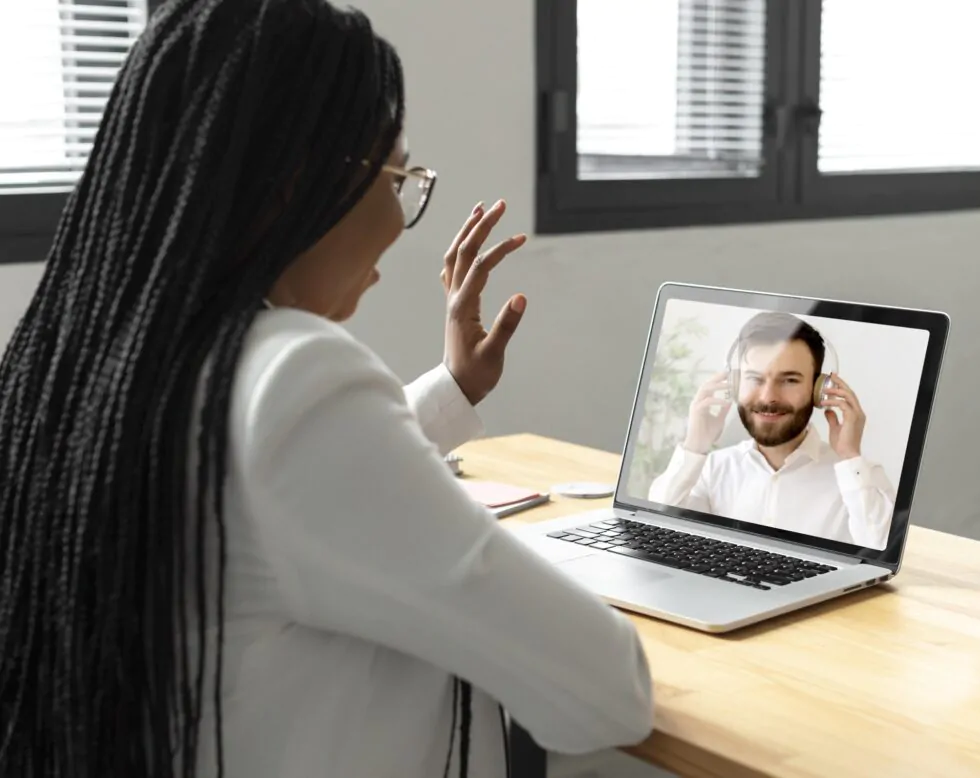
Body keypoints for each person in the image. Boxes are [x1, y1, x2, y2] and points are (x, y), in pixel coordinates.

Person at [0, 2, 653, 777]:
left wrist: (450, 390)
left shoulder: (87, 363)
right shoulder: (296, 372)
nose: (401, 218)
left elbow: (263, 498)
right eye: (400, 175)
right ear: (292, 183)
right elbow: (609, 690)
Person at [648, 311, 896, 549]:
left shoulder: (858, 479)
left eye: (789, 380)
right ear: (734, 385)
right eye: (755, 378)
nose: (768, 397)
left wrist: (850, 456)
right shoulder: (713, 470)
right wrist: (695, 445)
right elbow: (655, 535)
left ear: (819, 390)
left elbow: (881, 555)